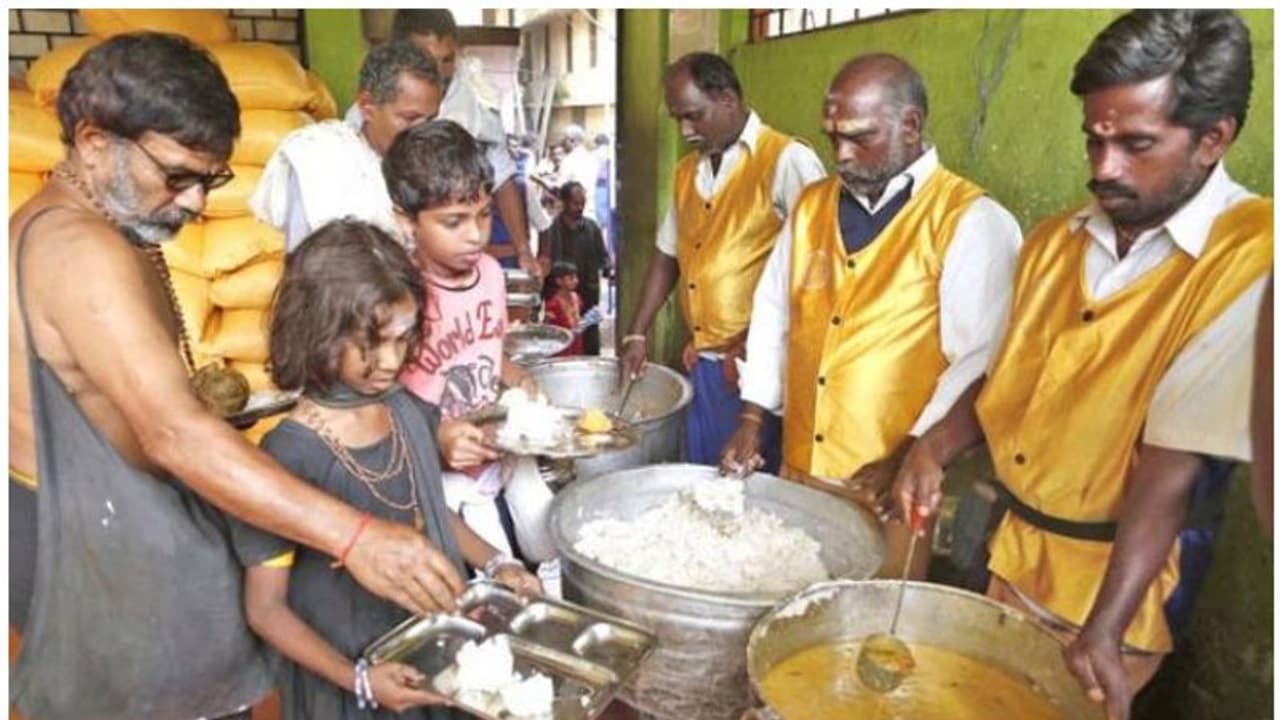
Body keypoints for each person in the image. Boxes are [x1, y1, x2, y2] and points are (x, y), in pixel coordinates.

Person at [8, 33, 464, 720]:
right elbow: (172, 434)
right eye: (177, 176)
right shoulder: (79, 248)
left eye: (210, 180)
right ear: (95, 142)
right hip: (89, 536)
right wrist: (354, 536)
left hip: (101, 518)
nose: (194, 203)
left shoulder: (92, 225)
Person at [890, 11, 1271, 720]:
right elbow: (1008, 380)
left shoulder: (1253, 256)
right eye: (1093, 141)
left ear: (1214, 139)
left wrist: (1104, 626)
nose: (1104, 170)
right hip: (1012, 552)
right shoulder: (1053, 241)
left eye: (1136, 145)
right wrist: (932, 447)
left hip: (1122, 590)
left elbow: (1173, 463)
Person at [720, 54, 1022, 579]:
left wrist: (913, 452)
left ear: (910, 125)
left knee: (872, 629)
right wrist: (752, 416)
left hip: (889, 485)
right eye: (833, 136)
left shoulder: (969, 221)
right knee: (790, 612)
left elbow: (982, 361)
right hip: (800, 468)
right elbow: (773, 312)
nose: (842, 154)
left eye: (859, 137)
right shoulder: (812, 207)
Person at [232, 219, 540, 720]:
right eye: (372, 343)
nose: (392, 361)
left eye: (404, 338)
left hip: (432, 658)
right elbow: (265, 610)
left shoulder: (404, 409)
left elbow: (429, 509)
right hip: (347, 685)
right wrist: (359, 680)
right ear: (319, 330)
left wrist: (496, 564)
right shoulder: (287, 457)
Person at [619, 51, 826, 468]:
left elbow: (817, 270)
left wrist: (750, 342)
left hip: (759, 365)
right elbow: (667, 254)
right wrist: (637, 333)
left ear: (728, 100)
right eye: (678, 118)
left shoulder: (786, 160)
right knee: (705, 477)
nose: (686, 129)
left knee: (750, 486)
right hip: (707, 362)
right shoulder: (685, 173)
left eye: (693, 116)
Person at [384, 119, 558, 569]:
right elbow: (383, 396)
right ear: (405, 220)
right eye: (453, 222)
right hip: (441, 473)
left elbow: (489, 344)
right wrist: (435, 437)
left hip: (499, 449)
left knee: (547, 539)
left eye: (484, 215)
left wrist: (515, 376)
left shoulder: (491, 276)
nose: (476, 235)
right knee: (494, 568)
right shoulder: (398, 294)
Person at [355, 9, 539, 278]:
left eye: (447, 60)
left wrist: (523, 250)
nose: (438, 72)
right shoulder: (358, 134)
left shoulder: (472, 108)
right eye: (426, 59)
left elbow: (502, 174)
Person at [252, 41, 442, 252]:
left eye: (431, 119)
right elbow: (302, 258)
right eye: (410, 118)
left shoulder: (435, 167)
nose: (423, 132)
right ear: (367, 106)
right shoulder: (318, 160)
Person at [539, 181, 612, 355]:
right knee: (562, 345)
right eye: (575, 203)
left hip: (587, 296)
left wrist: (609, 268)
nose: (580, 207)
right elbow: (543, 262)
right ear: (563, 202)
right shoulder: (551, 229)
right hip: (560, 301)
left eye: (583, 203)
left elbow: (603, 256)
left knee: (589, 344)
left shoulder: (592, 228)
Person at [543, 261, 586, 357]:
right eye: (571, 278)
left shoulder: (576, 297)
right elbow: (547, 330)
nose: (575, 281)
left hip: (577, 346)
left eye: (576, 277)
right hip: (561, 349)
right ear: (559, 281)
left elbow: (578, 320)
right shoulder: (553, 305)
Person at [558, 124, 600, 220]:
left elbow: (561, 187)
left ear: (572, 141)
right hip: (590, 211)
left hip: (572, 215)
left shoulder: (568, 160)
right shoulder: (592, 159)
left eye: (564, 140)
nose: (561, 143)